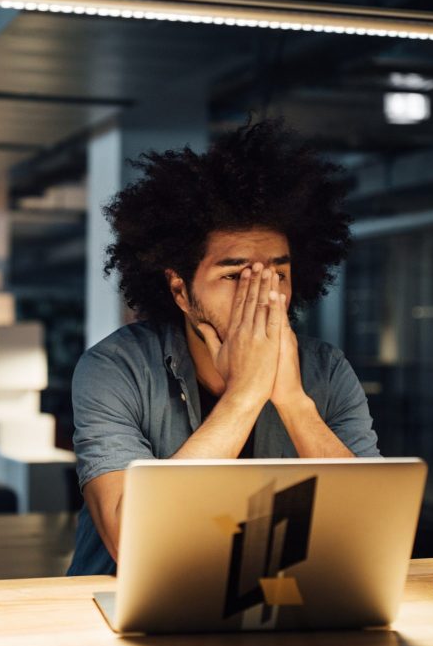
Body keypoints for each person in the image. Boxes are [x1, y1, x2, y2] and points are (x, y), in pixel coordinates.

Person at [68, 118, 379, 577]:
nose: (264, 295)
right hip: (122, 612)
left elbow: (373, 528)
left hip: (277, 604)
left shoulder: (327, 370)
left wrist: (294, 403)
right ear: (179, 290)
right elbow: (130, 539)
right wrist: (245, 395)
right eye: (234, 277)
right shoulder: (114, 369)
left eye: (278, 274)